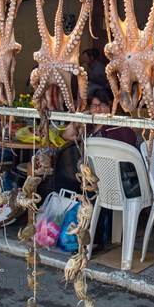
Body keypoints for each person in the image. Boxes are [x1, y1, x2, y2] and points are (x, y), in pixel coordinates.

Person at [62, 87, 138, 252]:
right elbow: (67, 135)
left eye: (102, 105)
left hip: (116, 179)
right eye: (94, 106)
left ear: (110, 105)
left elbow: (131, 142)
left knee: (94, 193)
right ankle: (81, 235)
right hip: (90, 177)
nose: (98, 109)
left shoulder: (118, 126)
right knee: (75, 186)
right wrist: (78, 118)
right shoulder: (88, 127)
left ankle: (94, 240)